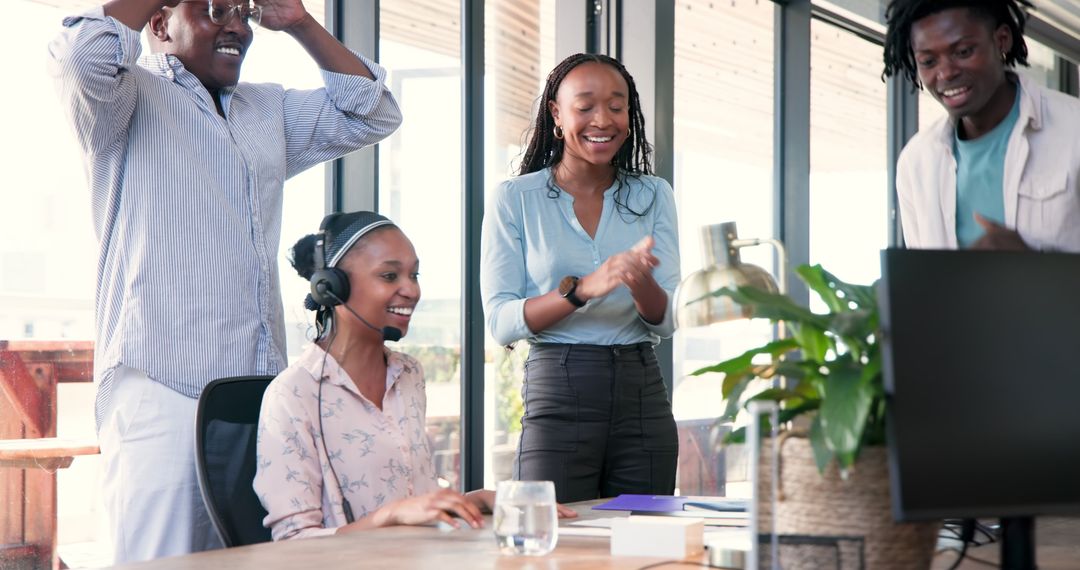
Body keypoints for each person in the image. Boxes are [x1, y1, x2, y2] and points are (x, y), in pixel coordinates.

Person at [48, 0, 401, 562]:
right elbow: (82, 55)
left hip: (258, 393)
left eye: (243, 11)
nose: (237, 25)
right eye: (215, 8)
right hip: (164, 386)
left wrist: (302, 24)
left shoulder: (268, 110)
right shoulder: (124, 98)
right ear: (161, 23)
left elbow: (373, 112)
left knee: (257, 559)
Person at [254, 212, 576, 539]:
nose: (411, 290)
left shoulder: (409, 373)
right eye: (390, 275)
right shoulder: (292, 394)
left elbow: (412, 507)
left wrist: (473, 500)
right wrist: (390, 516)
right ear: (332, 288)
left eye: (414, 275)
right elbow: (291, 544)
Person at [480, 53, 681, 504]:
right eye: (585, 105)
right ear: (556, 112)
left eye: (616, 105)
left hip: (642, 391)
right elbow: (502, 320)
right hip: (559, 387)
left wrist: (638, 281)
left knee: (642, 543)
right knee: (554, 537)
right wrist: (585, 289)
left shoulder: (653, 195)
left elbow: (664, 321)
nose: (603, 120)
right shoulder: (516, 199)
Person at [884, 0, 1080, 252]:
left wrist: (1033, 267)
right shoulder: (917, 163)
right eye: (928, 62)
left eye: (963, 52)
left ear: (1001, 40)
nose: (945, 73)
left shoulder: (1073, 130)